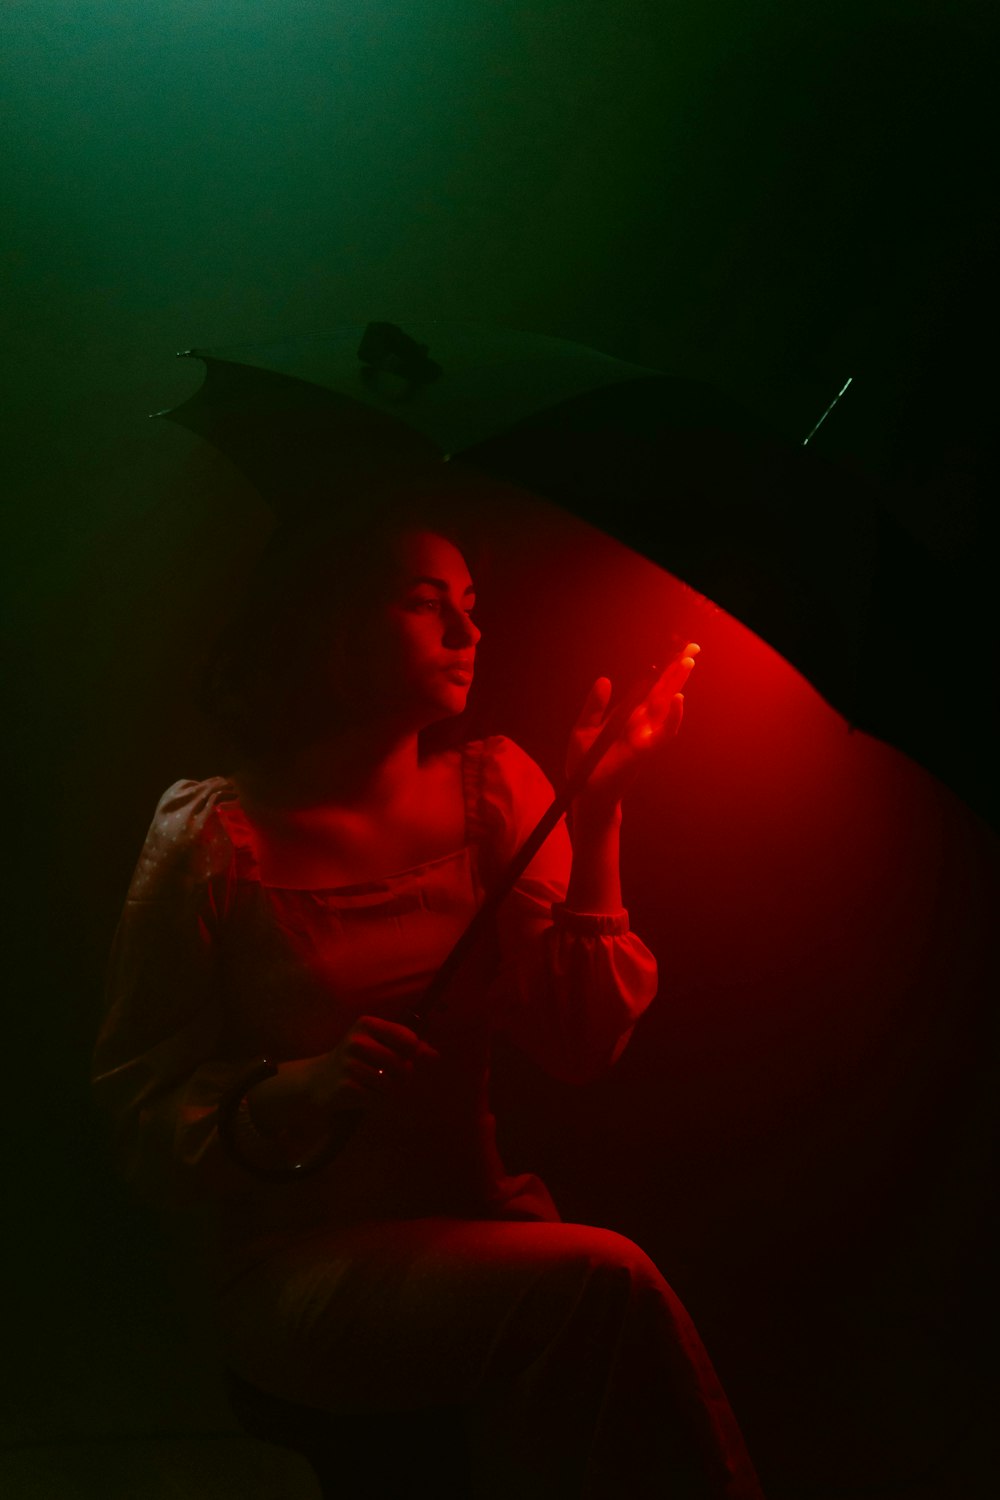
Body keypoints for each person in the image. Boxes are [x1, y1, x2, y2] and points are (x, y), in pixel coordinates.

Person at [92, 491, 764, 1498]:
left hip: (484, 1231)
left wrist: (599, 808)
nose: (468, 630)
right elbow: (140, 1118)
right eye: (424, 603)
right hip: (296, 1267)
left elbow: (581, 1044)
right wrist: (296, 1087)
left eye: (472, 601)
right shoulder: (213, 842)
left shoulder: (495, 791)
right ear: (333, 630)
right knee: (607, 1280)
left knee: (587, 1310)